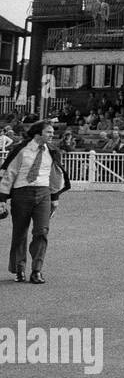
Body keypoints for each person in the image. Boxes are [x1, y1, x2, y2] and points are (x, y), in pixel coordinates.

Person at [0, 119, 72, 284]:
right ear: (38, 133)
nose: (52, 135)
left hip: (44, 194)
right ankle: (19, 269)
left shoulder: (53, 151)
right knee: (20, 233)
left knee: (42, 231)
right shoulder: (21, 150)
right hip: (21, 194)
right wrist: (2, 198)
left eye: (53, 132)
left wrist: (55, 198)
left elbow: (55, 176)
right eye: (48, 132)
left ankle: (36, 270)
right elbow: (8, 174)